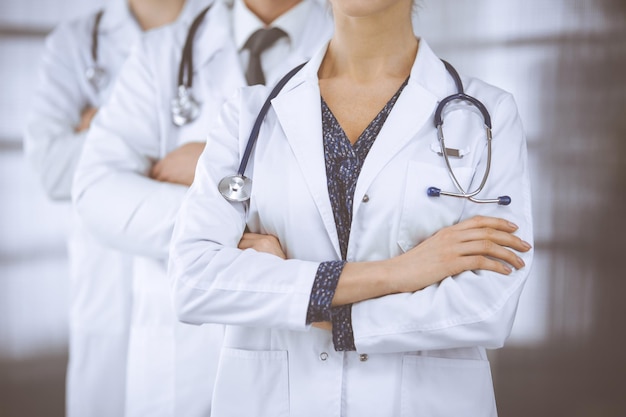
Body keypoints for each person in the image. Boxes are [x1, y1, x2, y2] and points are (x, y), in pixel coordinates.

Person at [168, 0, 534, 416]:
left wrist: (305, 301)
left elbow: (487, 305)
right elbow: (193, 280)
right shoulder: (250, 114)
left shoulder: (485, 116)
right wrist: (403, 272)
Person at [72, 0, 332, 415]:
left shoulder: (352, 45)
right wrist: (221, 226)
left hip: (309, 355)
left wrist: (208, 166)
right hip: (185, 362)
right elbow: (96, 191)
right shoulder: (163, 54)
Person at [22, 0, 197, 416]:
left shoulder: (223, 27)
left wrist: (108, 132)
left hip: (184, 266)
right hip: (104, 268)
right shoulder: (76, 42)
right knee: (101, 392)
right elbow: (51, 168)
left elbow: (242, 156)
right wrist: (160, 143)